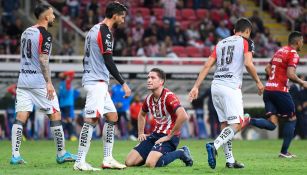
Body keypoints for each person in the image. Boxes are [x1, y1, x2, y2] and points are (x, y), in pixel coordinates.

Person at [189, 18, 264, 169]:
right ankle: (214, 145)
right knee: (238, 124)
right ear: (248, 31)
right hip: (230, 87)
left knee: (225, 125)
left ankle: (230, 160)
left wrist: (196, 86)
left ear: (234, 30)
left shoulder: (220, 43)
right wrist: (258, 81)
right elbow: (248, 63)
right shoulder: (246, 41)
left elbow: (206, 65)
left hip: (215, 86)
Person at [10, 4, 76, 165]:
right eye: (52, 14)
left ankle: (15, 155)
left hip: (23, 80)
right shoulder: (45, 35)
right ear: (46, 17)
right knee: (55, 114)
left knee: (21, 116)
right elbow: (42, 59)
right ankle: (61, 153)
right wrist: (49, 83)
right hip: (38, 82)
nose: (54, 17)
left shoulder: (26, 32)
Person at [73, 2, 131, 171]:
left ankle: (107, 158)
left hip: (97, 81)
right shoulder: (105, 32)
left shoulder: (94, 29)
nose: (123, 20)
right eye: (122, 16)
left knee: (112, 117)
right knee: (91, 120)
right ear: (114, 15)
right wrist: (123, 83)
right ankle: (80, 161)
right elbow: (108, 60)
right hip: (96, 81)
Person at [249, 31, 307, 158]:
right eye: (302, 41)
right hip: (280, 91)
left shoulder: (279, 51)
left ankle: (248, 120)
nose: (303, 43)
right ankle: (284, 152)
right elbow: (291, 74)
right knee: (292, 118)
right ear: (297, 42)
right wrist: (302, 83)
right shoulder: (293, 54)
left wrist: (274, 80)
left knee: (272, 124)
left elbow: (267, 69)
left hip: (268, 90)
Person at [125, 68, 193, 168]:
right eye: (148, 77)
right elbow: (141, 114)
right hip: (155, 135)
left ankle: (181, 152)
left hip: (169, 136)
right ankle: (153, 152)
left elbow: (183, 116)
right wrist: (140, 133)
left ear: (161, 81)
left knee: (150, 163)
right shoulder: (149, 98)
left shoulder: (168, 96)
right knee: (129, 162)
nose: (149, 80)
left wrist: (169, 136)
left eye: (153, 78)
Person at [58, 71, 77, 141]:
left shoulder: (61, 83)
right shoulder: (67, 82)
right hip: (67, 104)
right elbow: (72, 72)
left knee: (65, 120)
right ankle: (71, 135)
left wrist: (63, 74)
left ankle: (66, 136)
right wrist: (65, 74)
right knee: (69, 120)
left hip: (62, 104)